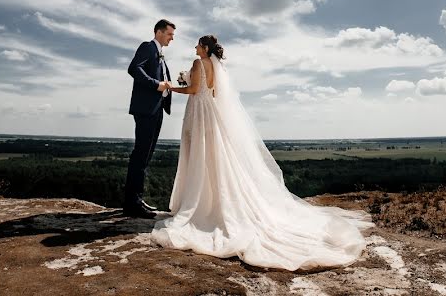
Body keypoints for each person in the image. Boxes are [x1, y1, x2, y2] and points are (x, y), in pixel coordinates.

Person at [151, 35, 372, 271]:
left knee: (200, 156)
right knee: (213, 157)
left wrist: (171, 87)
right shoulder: (217, 66)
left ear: (204, 48)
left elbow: (195, 89)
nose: (194, 48)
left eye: (197, 45)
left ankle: (201, 202)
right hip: (210, 113)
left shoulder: (198, 64)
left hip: (199, 113)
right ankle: (212, 199)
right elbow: (212, 92)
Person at [123, 19, 175, 218]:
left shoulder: (160, 54)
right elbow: (134, 68)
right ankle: (132, 203)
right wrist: (156, 84)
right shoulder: (147, 47)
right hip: (146, 110)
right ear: (160, 32)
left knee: (145, 156)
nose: (172, 39)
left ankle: (135, 199)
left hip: (156, 110)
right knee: (140, 155)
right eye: (170, 34)